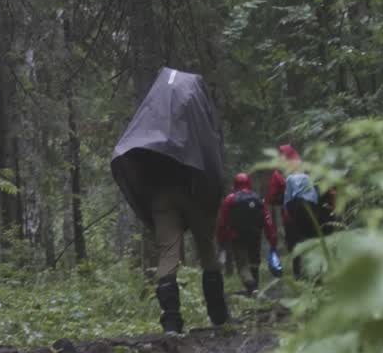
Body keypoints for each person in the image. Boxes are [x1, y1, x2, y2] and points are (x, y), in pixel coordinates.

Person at [111, 68, 230, 335]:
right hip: (194, 194)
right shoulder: (195, 122)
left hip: (162, 199)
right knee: (207, 251)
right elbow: (211, 158)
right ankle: (219, 317)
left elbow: (137, 163)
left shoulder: (151, 123)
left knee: (168, 255)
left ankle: (172, 323)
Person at [265, 144, 334, 278]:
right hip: (313, 212)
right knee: (312, 241)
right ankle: (316, 276)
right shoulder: (306, 167)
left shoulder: (278, 173)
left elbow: (272, 197)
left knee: (296, 246)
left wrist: (285, 198)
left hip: (291, 216)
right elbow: (323, 187)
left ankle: (300, 277)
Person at [217, 172, 279, 294]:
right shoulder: (258, 198)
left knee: (242, 265)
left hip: (237, 236)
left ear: (235, 184)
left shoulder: (230, 199)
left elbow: (222, 222)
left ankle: (251, 287)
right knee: (254, 262)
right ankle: (255, 287)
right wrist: (272, 239)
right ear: (248, 183)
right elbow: (268, 220)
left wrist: (221, 239)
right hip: (255, 235)